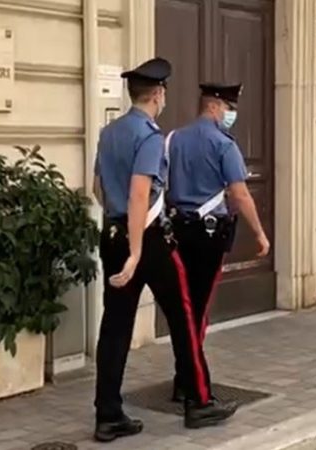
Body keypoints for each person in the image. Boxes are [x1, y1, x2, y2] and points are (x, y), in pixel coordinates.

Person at [92, 58, 236, 442]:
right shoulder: (150, 137)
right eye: (164, 92)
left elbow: (96, 188)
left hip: (112, 233)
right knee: (183, 316)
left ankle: (108, 413)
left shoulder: (109, 133)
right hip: (149, 240)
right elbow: (141, 192)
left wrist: (120, 230)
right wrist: (137, 250)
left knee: (116, 326)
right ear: (157, 94)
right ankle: (199, 401)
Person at [165, 82, 271, 404]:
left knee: (186, 308)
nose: (231, 115)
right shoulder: (223, 144)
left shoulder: (174, 139)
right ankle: (192, 383)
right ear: (215, 107)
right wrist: (259, 233)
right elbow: (239, 194)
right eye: (229, 108)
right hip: (209, 236)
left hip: (179, 232)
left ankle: (183, 378)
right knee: (198, 312)